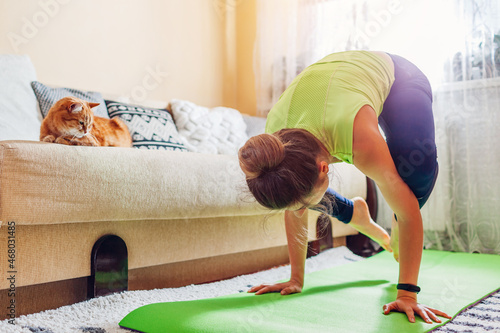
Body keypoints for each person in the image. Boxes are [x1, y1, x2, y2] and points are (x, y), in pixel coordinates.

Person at [238, 50, 452, 324]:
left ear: (324, 166)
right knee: (299, 191)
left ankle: (392, 225)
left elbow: (411, 212)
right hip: (337, 87)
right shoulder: (276, 150)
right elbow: (294, 208)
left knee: (415, 170)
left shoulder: (358, 139)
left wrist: (407, 294)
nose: (305, 209)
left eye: (306, 206)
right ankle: (357, 215)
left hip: (398, 77)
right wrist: (295, 279)